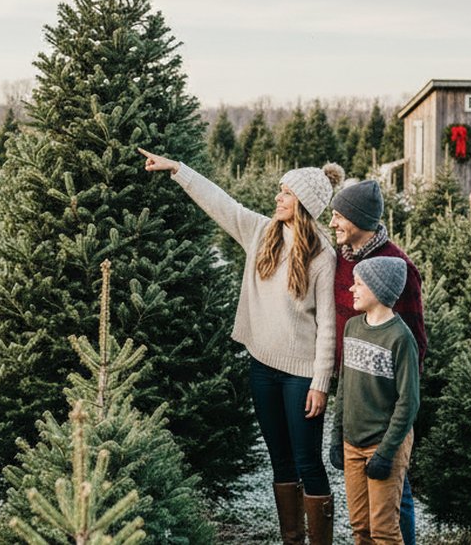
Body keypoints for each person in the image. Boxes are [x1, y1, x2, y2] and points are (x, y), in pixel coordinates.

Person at [139, 148, 341, 545]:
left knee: (308, 462)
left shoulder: (323, 256)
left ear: (304, 204)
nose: (278, 198)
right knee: (280, 461)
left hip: (302, 376)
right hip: (262, 368)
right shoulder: (261, 233)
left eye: (286, 193)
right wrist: (179, 170)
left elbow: (329, 326)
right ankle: (291, 540)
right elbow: (222, 204)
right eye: (280, 190)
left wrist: (320, 383)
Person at [329, 179, 424, 545]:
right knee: (362, 523)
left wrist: (392, 394)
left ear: (359, 219)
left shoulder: (397, 267)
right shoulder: (343, 258)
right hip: (353, 393)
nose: (333, 223)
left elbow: (414, 342)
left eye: (339, 216)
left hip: (385, 406)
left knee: (393, 505)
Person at [341, 257, 420, 545]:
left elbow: (408, 403)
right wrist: (339, 438)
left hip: (383, 446)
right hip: (352, 444)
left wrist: (386, 453)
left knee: (383, 531)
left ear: (378, 289)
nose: (351, 289)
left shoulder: (400, 338)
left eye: (359, 283)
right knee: (360, 528)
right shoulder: (352, 327)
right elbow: (343, 388)